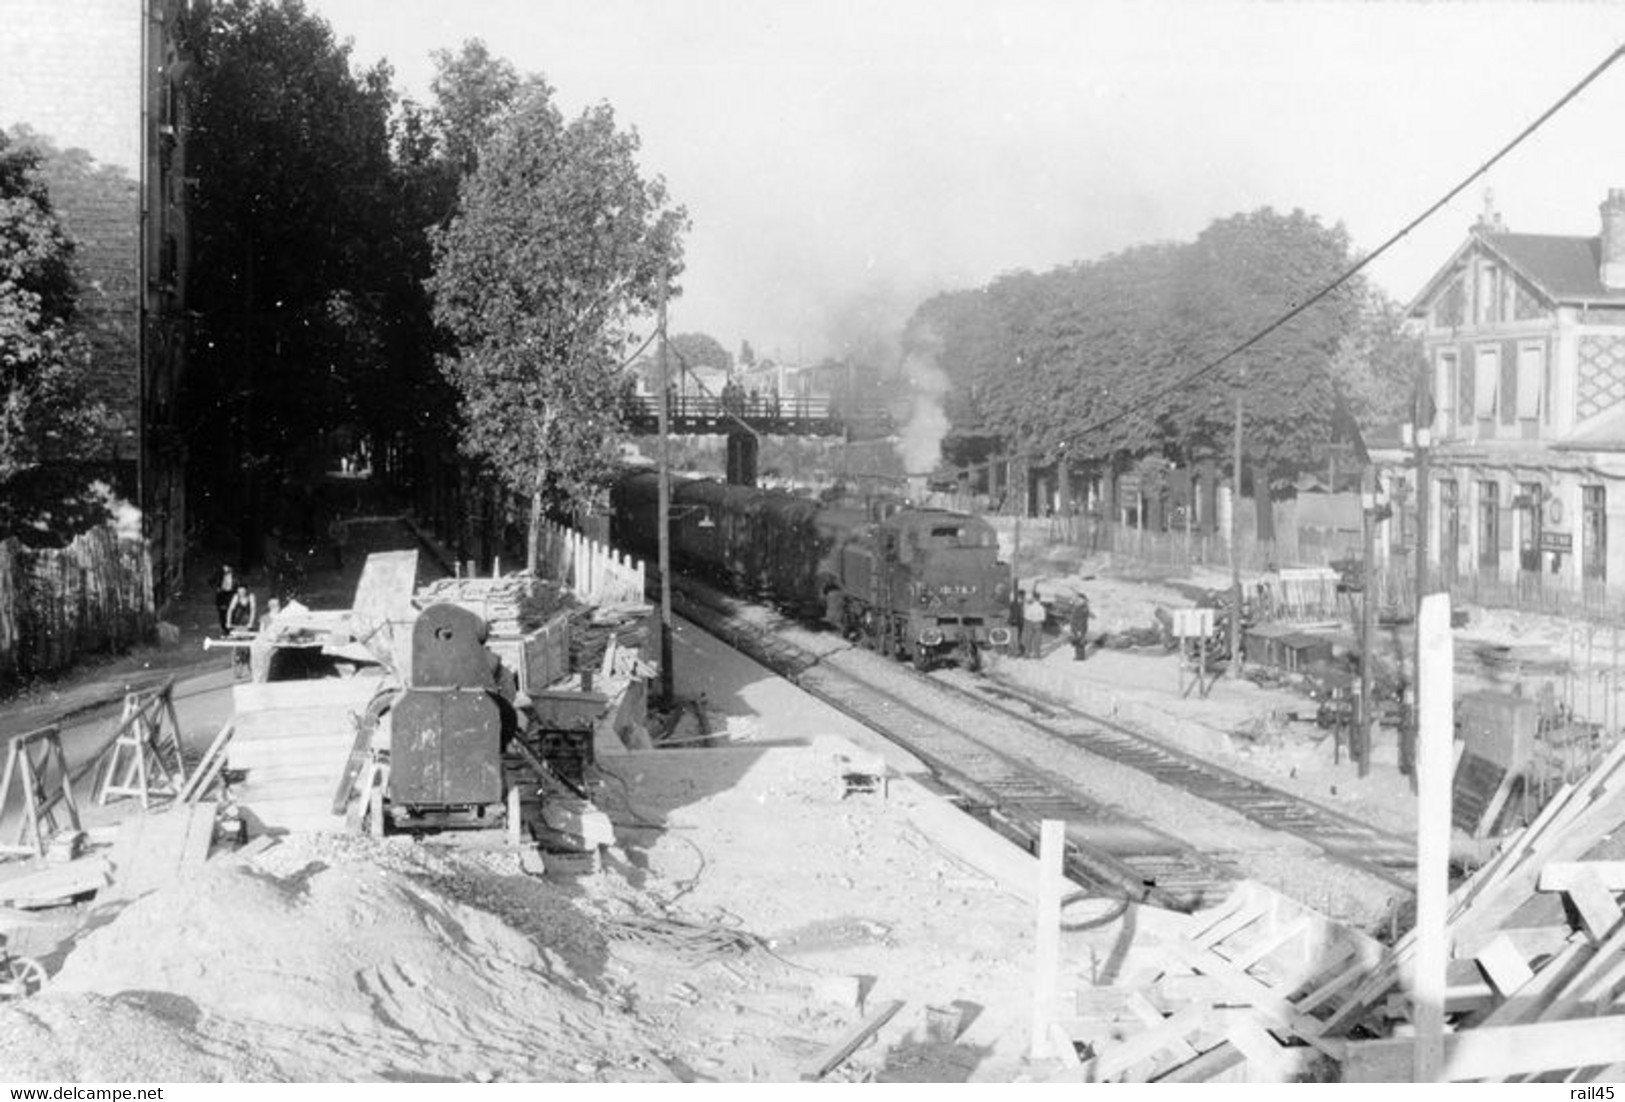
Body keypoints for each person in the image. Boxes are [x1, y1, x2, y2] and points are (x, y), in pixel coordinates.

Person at [210, 563, 237, 633]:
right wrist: (217, 587)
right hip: (222, 594)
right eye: (224, 567)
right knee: (222, 613)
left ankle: (230, 628)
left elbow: (238, 584)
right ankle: (224, 628)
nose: (226, 569)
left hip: (231, 594)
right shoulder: (219, 574)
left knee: (231, 611)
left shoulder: (235, 575)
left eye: (228, 567)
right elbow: (212, 581)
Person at [1022, 587, 1047, 660]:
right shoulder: (1041, 607)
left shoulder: (1029, 606)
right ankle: (1037, 654)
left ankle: (1027, 653)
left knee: (1028, 639)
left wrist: (1030, 619)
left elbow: (1026, 616)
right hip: (1038, 623)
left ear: (1034, 598)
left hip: (1030, 623)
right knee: (1037, 640)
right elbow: (1043, 618)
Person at [1069, 594, 1092, 661]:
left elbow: (1082, 620)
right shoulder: (1079, 607)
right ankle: (1079, 656)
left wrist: (1079, 629)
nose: (1077, 600)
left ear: (1083, 600)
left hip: (1079, 627)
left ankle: (1080, 657)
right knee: (1077, 641)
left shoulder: (1082, 608)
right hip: (1076, 627)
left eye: (1078, 599)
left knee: (1079, 642)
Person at [1007, 588, 1025, 657]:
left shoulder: (1022, 602)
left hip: (1020, 621)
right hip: (1016, 622)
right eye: (1021, 595)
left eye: (1023, 595)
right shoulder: (1015, 603)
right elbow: (1011, 612)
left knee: (1018, 636)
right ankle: (1013, 651)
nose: (1022, 597)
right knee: (1014, 637)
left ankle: (1015, 650)